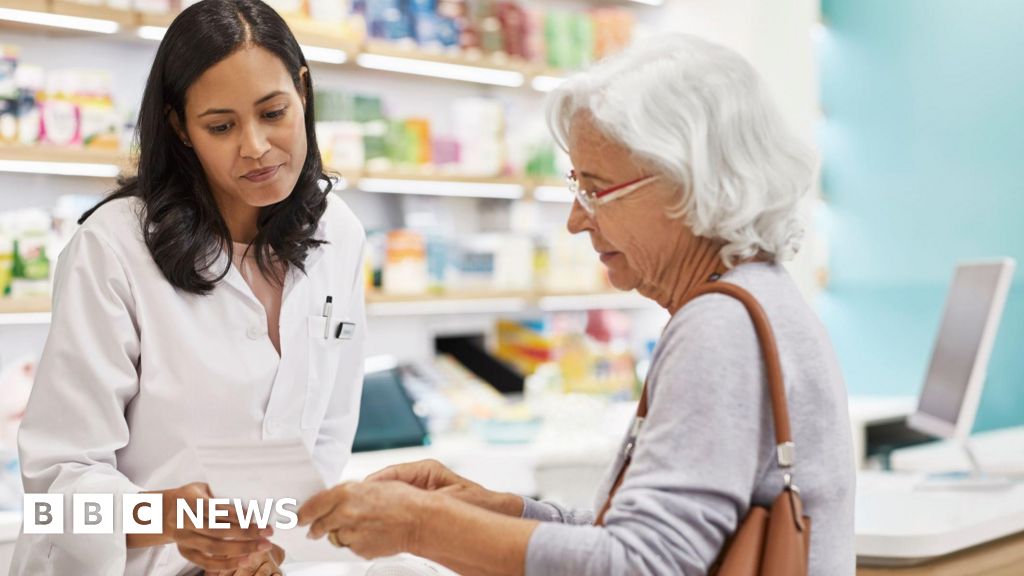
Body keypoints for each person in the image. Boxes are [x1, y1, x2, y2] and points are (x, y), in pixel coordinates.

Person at [296, 33, 855, 575]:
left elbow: (640, 566)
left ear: (687, 185)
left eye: (595, 188)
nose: (576, 219)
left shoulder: (720, 326)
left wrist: (425, 524)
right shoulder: (759, 296)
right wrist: (498, 512)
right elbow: (650, 538)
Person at [12, 1, 366, 574]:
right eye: (221, 126)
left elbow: (324, 443)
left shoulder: (339, 235)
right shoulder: (113, 248)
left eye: (273, 112)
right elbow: (51, 503)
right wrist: (159, 518)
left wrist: (267, 547)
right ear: (180, 127)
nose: (254, 146)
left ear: (303, 91)